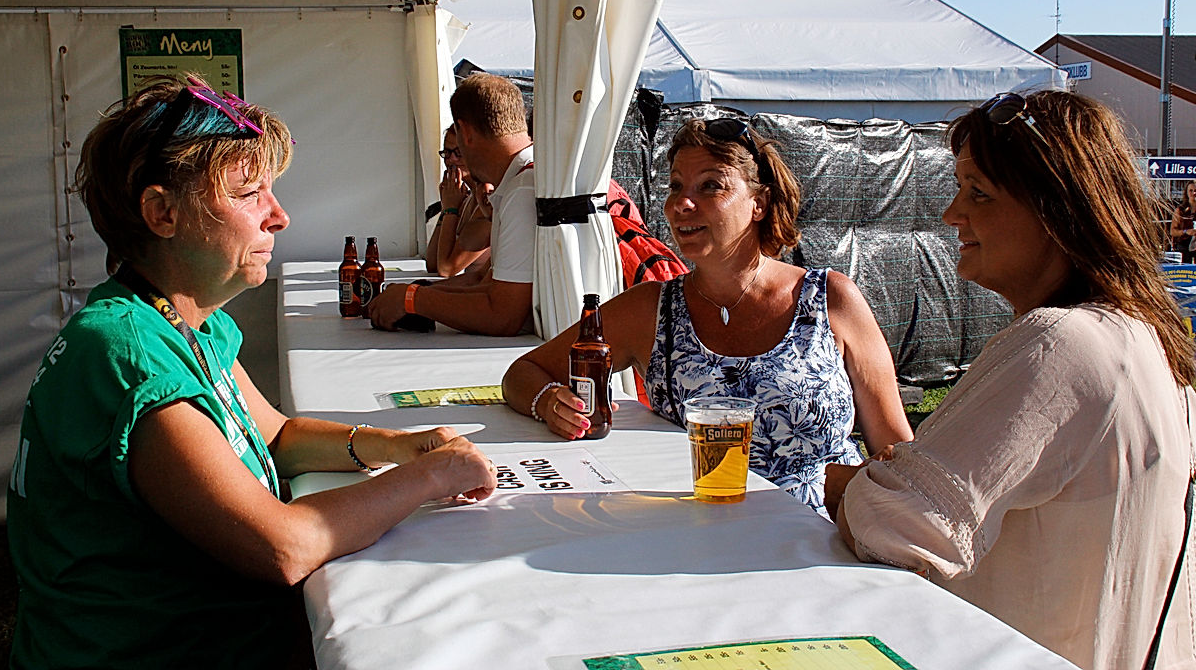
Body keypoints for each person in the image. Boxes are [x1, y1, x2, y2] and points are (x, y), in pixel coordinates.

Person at [5, 76, 497, 669]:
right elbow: (283, 546)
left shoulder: (185, 319)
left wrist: (398, 444)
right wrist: (431, 477)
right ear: (162, 212)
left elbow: (274, 436)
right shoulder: (124, 352)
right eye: (249, 194)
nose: (279, 217)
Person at [827, 91, 1195, 670]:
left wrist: (853, 487)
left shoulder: (1063, 344)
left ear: (1057, 210)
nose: (952, 213)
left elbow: (898, 525)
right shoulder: (1141, 335)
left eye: (979, 193)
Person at [501, 117, 913, 514]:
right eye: (676, 186)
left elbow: (898, 450)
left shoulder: (830, 299)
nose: (681, 203)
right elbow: (524, 372)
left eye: (710, 186)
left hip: (826, 541)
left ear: (759, 203)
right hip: (699, 532)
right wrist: (549, 401)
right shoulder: (651, 309)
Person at [369, 73, 535, 336]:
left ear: (465, 132)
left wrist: (412, 299)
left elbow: (503, 316)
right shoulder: (522, 180)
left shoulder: (522, 190)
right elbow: (484, 282)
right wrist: (413, 294)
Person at [425, 123, 492, 277]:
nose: (451, 160)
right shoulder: (465, 199)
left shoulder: (488, 201)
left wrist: (450, 210)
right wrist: (446, 208)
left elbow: (447, 269)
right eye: (447, 153)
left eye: (459, 153)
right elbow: (433, 263)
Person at [1171, 180, 1196, 263]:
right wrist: (1186, 231)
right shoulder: (1180, 210)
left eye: (1195, 190)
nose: (1193, 193)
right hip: (1184, 246)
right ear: (1187, 192)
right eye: (1191, 190)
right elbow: (1173, 231)